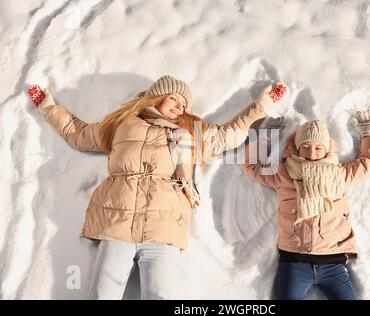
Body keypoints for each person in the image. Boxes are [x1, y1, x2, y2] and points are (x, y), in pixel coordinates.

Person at [28, 75, 287, 299]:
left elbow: (226, 136)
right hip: (118, 225)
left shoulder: (187, 132)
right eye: (174, 98)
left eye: (184, 104)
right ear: (157, 96)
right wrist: (49, 107)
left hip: (163, 231)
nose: (180, 105)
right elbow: (80, 134)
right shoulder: (122, 125)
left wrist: (260, 107)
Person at [242, 111, 370, 300]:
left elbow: (367, 163)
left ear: (326, 150)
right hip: (294, 262)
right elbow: (252, 167)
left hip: (334, 263)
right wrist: (266, 136)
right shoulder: (285, 174)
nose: (311, 153)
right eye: (305, 147)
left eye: (317, 147)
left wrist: (368, 133)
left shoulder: (339, 174)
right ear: (297, 149)